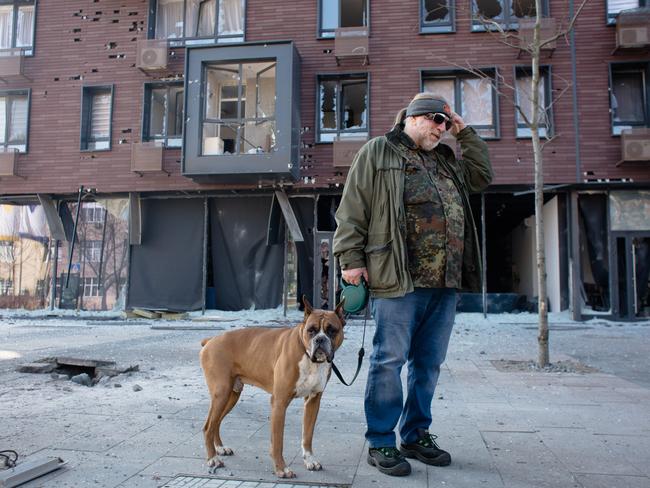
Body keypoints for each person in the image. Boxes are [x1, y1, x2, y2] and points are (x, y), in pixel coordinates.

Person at [333, 93, 492, 476]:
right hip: (399, 277)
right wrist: (351, 260)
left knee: (429, 363)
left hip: (445, 280)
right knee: (389, 360)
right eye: (437, 119)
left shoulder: (445, 160)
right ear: (415, 117)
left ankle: (416, 433)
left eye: (446, 122)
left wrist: (464, 131)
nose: (442, 128)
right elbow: (353, 208)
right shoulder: (379, 151)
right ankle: (381, 441)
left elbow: (482, 177)